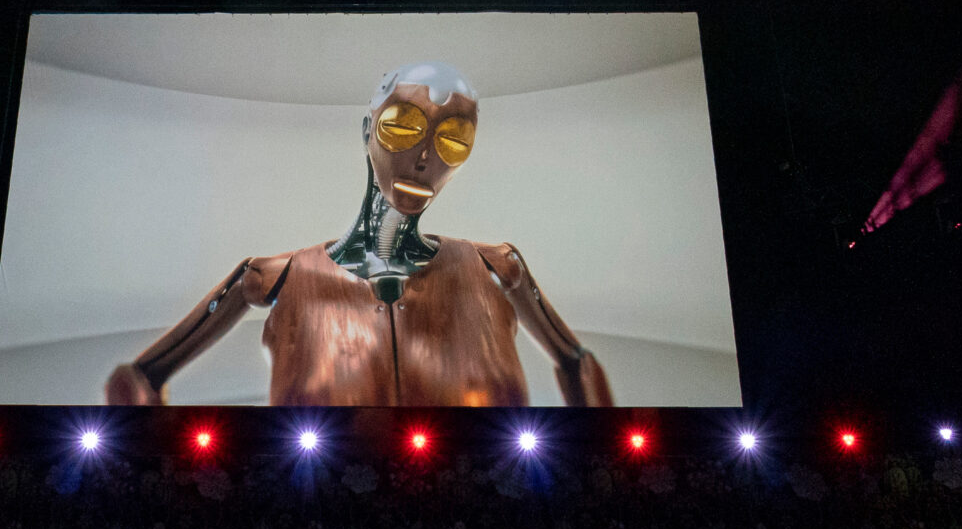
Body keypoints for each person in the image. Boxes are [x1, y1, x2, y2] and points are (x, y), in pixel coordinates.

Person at [105, 61, 615, 407]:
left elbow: (577, 363)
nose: (424, 157)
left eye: (454, 139)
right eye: (403, 125)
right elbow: (138, 379)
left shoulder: (495, 268)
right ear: (368, 131)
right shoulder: (275, 277)